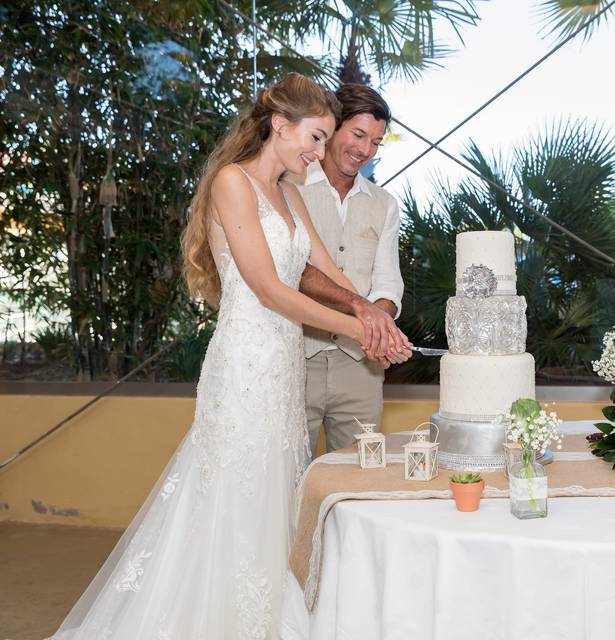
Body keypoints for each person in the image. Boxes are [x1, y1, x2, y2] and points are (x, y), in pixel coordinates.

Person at [53, 73, 377, 638]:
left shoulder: (293, 196)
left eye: (326, 141)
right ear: (280, 125)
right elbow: (270, 289)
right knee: (232, 486)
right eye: (317, 137)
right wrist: (357, 327)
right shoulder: (232, 183)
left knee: (275, 485)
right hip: (245, 364)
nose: (320, 151)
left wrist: (371, 312)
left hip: (282, 368)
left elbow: (329, 273)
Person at [290, 83, 410, 455]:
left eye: (375, 142)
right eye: (358, 134)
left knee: (360, 474)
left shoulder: (385, 204)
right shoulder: (290, 187)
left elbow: (388, 283)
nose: (364, 150)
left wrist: (380, 323)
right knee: (292, 478)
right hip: (296, 357)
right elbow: (291, 271)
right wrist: (364, 312)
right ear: (333, 128)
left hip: (361, 367)